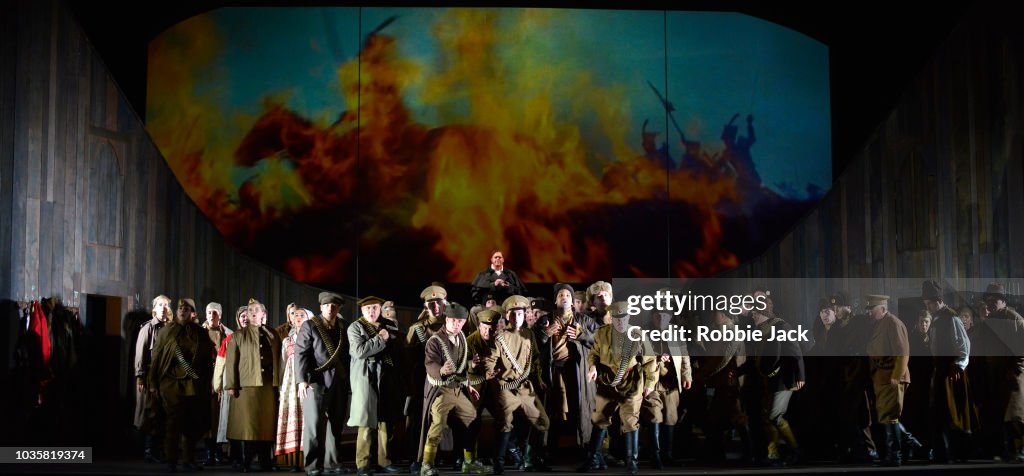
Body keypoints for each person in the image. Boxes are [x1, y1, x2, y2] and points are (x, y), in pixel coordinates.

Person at [577, 302, 656, 475]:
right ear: (611, 318)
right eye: (617, 318)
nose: (620, 321)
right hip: (608, 382)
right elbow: (594, 354)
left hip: (631, 383)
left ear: (629, 317)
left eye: (624, 317)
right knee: (599, 418)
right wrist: (593, 367)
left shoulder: (638, 335)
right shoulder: (603, 333)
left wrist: (650, 384)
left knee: (629, 421)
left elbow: (650, 361)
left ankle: (631, 463)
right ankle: (592, 459)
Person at [148, 298, 215, 472]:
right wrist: (153, 382)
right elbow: (156, 357)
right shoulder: (167, 331)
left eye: (186, 309)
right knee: (173, 423)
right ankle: (171, 460)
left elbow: (208, 359)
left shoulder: (200, 333)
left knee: (191, 423)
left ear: (192, 313)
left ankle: (188, 459)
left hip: (193, 384)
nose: (183, 312)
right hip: (171, 384)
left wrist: (208, 382)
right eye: (180, 309)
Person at [535, 284, 598, 466]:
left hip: (577, 372)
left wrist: (582, 334)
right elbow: (533, 344)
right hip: (553, 372)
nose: (564, 297)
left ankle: (584, 452)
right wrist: (545, 335)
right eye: (561, 295)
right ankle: (548, 452)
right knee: (554, 410)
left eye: (568, 295)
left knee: (579, 410)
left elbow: (600, 342)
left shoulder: (584, 320)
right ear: (555, 300)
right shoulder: (546, 320)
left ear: (572, 301)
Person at [418, 302, 480, 476]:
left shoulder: (461, 338)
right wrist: (441, 370)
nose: (457, 324)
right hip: (441, 390)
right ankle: (426, 465)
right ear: (447, 319)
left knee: (472, 417)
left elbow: (461, 367)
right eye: (454, 321)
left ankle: (469, 462)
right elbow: (429, 363)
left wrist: (469, 381)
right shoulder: (435, 340)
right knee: (437, 425)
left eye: (460, 321)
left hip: (457, 389)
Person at [348, 296, 405, 476]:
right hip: (366, 376)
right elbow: (359, 351)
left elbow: (397, 349)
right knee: (366, 421)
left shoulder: (387, 325)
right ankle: (363, 464)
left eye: (375, 308)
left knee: (384, 421)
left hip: (385, 376)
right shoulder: (355, 327)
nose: (371, 312)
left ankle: (384, 461)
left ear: (380, 309)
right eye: (368, 309)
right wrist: (381, 338)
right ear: (362, 311)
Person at [296, 291, 351, 476]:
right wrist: (301, 380)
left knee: (336, 424)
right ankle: (312, 465)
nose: (330, 308)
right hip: (316, 381)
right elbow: (301, 353)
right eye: (327, 305)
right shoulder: (310, 326)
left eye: (334, 305)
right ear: (321, 307)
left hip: (339, 382)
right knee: (314, 425)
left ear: (339, 308)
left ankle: (332, 462)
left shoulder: (343, 326)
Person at [226, 298, 283, 472]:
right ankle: (246, 461)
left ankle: (266, 461)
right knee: (247, 427)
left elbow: (281, 360)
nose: (252, 313)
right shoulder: (238, 336)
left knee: (266, 427)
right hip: (246, 387)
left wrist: (280, 385)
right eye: (250, 310)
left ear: (263, 314)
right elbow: (231, 363)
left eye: (256, 310)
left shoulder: (273, 334)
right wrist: (231, 385)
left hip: (268, 387)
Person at [922, 280, 973, 463]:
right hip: (940, 371)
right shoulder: (936, 319)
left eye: (930, 303)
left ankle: (957, 452)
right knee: (938, 412)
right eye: (926, 304)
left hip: (951, 372)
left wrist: (958, 365)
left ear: (939, 301)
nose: (928, 307)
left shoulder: (952, 318)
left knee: (953, 413)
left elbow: (963, 346)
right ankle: (941, 452)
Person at [864, 294, 913, 467]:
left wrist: (896, 376)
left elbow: (902, 352)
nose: (869, 312)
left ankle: (895, 456)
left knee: (890, 416)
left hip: (892, 377)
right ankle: (911, 445)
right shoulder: (879, 324)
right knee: (886, 416)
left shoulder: (893, 323)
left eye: (872, 309)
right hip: (882, 377)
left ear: (883, 309)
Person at [640, 309, 691, 468]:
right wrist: (656, 357)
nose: (661, 318)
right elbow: (638, 354)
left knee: (670, 416)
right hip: (651, 382)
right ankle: (654, 455)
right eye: (657, 315)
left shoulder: (676, 333)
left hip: (670, 383)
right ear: (652, 317)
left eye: (665, 315)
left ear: (670, 318)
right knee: (654, 416)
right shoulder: (643, 333)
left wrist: (687, 374)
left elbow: (684, 355)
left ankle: (667, 454)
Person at [406, 285, 450, 472]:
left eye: (439, 303)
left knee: (441, 420)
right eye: (431, 303)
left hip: (445, 381)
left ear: (444, 304)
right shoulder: (417, 329)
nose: (436, 307)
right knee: (418, 420)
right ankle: (415, 458)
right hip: (420, 381)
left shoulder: (450, 325)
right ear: (426, 306)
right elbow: (407, 358)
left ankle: (437, 457)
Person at [135, 294, 172, 464]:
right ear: (154, 309)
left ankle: (161, 451)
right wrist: (140, 377)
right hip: (150, 378)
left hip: (168, 379)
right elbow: (140, 355)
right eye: (161, 305)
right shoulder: (148, 328)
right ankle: (149, 451)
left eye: (166, 305)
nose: (164, 308)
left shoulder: (171, 328)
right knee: (150, 414)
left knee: (164, 415)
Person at [275, 305, 309, 469]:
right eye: (295, 315)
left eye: (302, 315)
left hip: (307, 383)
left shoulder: (313, 338)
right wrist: (282, 387)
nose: (298, 317)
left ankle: (307, 458)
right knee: (291, 418)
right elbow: (283, 365)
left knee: (306, 418)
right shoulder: (286, 341)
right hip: (290, 384)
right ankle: (292, 459)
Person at [201, 302, 232, 465]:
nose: (212, 315)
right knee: (207, 415)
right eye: (209, 312)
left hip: (223, 377)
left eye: (215, 312)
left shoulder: (228, 334)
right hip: (204, 378)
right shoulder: (199, 332)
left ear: (220, 315)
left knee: (220, 415)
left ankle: (220, 451)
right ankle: (208, 452)